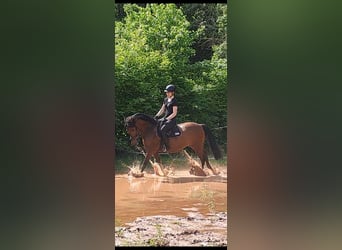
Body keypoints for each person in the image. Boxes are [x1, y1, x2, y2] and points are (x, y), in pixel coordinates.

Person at [154, 84, 178, 151]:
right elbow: (162, 109)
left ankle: (166, 146)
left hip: (171, 120)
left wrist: (166, 119)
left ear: (172, 92)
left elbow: (174, 113)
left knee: (163, 130)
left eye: (168, 92)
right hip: (165, 119)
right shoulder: (165, 100)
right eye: (166, 92)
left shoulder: (174, 101)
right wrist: (156, 116)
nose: (167, 93)